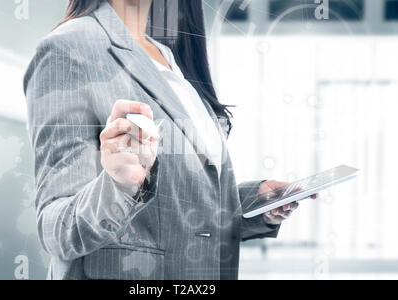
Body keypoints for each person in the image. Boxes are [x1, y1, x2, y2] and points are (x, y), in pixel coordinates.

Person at [23, 0, 303, 280]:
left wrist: (255, 201)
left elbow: (178, 214)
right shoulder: (68, 47)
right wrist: (119, 185)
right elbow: (56, 229)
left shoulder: (170, 57)